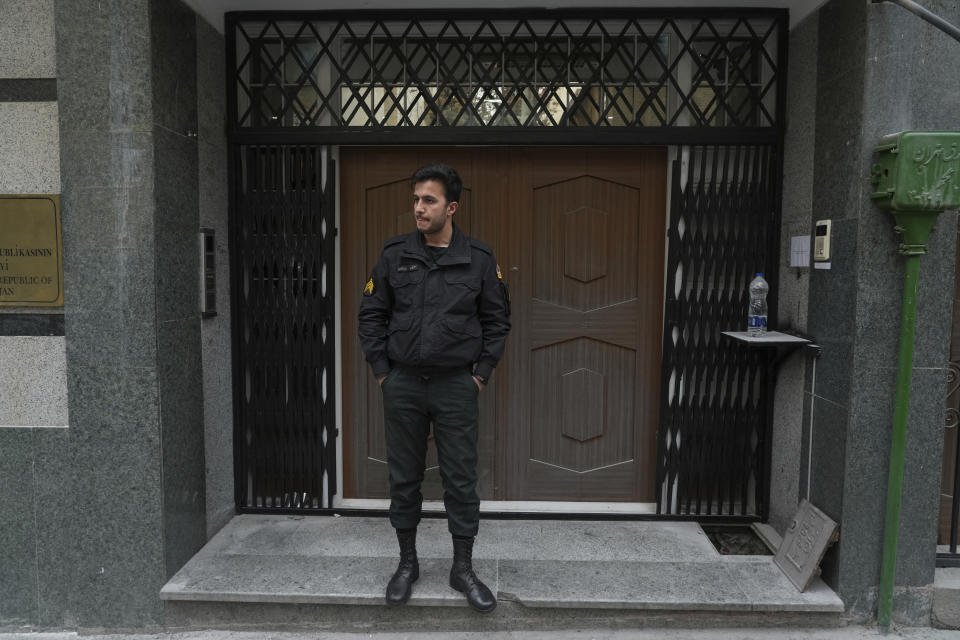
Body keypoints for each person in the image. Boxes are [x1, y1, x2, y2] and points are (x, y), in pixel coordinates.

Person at [358, 163, 511, 613]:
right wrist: (383, 371)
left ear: (452, 207)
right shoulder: (394, 255)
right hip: (403, 383)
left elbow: (497, 321)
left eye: (429, 201)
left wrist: (480, 373)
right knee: (404, 478)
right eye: (416, 200)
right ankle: (408, 564)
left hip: (455, 385)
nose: (418, 208)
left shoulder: (479, 259)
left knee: (460, 480)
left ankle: (462, 568)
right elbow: (371, 314)